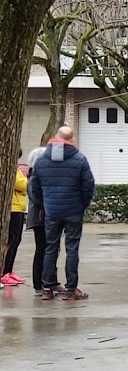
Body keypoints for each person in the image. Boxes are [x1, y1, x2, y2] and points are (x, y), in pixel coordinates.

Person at [29, 126, 95, 301]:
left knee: (51, 247)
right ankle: (71, 288)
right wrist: (82, 205)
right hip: (73, 211)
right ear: (72, 139)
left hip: (51, 211)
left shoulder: (42, 160)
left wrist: (46, 204)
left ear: (56, 137)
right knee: (72, 248)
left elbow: (34, 188)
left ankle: (47, 287)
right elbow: (88, 187)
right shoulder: (80, 159)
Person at [25, 147, 60, 295]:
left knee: (51, 250)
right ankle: (40, 284)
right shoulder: (34, 178)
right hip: (41, 219)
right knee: (43, 250)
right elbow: (38, 198)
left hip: (47, 217)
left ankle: (50, 281)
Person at [2, 149, 29, 286]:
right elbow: (22, 185)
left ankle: (9, 271)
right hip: (14, 208)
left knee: (16, 240)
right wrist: (27, 180)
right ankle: (5, 272)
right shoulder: (11, 168)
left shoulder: (16, 168)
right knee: (12, 240)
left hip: (18, 207)